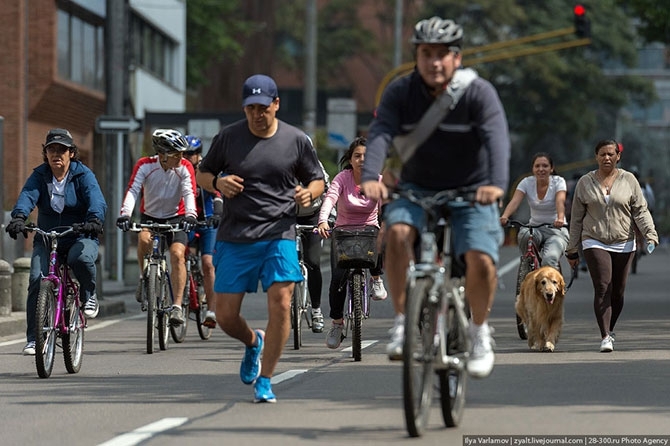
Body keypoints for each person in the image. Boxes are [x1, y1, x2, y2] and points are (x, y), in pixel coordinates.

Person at [360, 17, 510, 379]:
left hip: (471, 191)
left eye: (443, 54)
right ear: (417, 56)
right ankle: (402, 324)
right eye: (426, 54)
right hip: (416, 189)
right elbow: (380, 133)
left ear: (457, 59)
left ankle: (479, 334)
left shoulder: (478, 93)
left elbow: (497, 138)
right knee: (395, 235)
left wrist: (496, 183)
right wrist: (370, 177)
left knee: (481, 259)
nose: (434, 62)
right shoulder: (400, 92)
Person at [195, 74, 325, 403]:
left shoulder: (295, 140)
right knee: (224, 315)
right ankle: (254, 342)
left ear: (276, 104)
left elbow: (317, 180)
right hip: (236, 234)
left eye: (263, 107)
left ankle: (265, 380)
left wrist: (307, 194)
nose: (257, 113)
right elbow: (203, 172)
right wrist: (217, 184)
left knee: (282, 303)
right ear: (244, 107)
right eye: (251, 108)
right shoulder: (228, 138)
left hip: (279, 232)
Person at [5, 128, 107, 355]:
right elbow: (27, 196)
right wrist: (19, 217)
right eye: (51, 149)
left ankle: (89, 295)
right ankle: (34, 339)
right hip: (47, 236)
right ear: (45, 153)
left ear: (71, 153)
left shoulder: (83, 175)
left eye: (62, 150)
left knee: (79, 258)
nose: (56, 154)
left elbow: (96, 200)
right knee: (35, 279)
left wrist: (94, 219)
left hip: (79, 234)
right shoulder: (40, 175)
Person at [566, 139, 658, 353]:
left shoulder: (629, 180)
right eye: (602, 154)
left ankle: (610, 328)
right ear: (596, 157)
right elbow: (576, 219)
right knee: (603, 286)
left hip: (624, 241)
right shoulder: (585, 182)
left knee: (617, 292)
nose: (606, 158)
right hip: (593, 239)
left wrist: (650, 234)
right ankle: (605, 336)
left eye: (610, 154)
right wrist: (572, 248)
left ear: (618, 157)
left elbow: (641, 211)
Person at [116, 128, 198, 326]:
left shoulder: (185, 167)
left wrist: (191, 215)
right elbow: (133, 190)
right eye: (176, 154)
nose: (181, 157)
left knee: (178, 254)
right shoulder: (145, 165)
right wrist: (125, 214)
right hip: (150, 216)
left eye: (182, 153)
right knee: (143, 239)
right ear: (162, 155)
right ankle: (145, 278)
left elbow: (189, 193)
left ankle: (177, 306)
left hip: (176, 217)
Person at [316, 136, 387, 349]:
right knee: (337, 280)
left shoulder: (378, 179)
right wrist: (322, 221)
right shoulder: (342, 178)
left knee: (380, 235)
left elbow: (387, 204)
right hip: (343, 234)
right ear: (350, 158)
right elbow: (330, 199)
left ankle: (376, 279)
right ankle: (337, 323)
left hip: (369, 231)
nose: (362, 160)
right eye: (357, 156)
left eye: (366, 156)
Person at [499, 152, 568, 269]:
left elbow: (560, 201)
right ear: (533, 169)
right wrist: (505, 216)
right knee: (524, 233)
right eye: (537, 166)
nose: (541, 169)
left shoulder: (558, 181)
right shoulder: (526, 182)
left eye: (545, 166)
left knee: (549, 260)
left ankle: (553, 284)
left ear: (551, 168)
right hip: (535, 229)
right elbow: (515, 201)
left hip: (556, 230)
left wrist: (560, 218)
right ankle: (529, 261)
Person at [184, 135, 223, 328]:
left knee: (208, 264)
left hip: (207, 222)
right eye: (184, 153)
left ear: (198, 154)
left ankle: (212, 310)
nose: (187, 157)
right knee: (183, 258)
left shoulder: (206, 169)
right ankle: (186, 296)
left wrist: (218, 212)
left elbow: (217, 192)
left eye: (190, 154)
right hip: (187, 221)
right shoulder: (180, 169)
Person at [296, 159, 330, 333]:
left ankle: (316, 310)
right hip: (286, 216)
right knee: (283, 262)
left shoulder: (314, 165)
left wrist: (328, 218)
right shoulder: (279, 161)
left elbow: (328, 192)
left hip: (312, 217)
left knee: (313, 262)